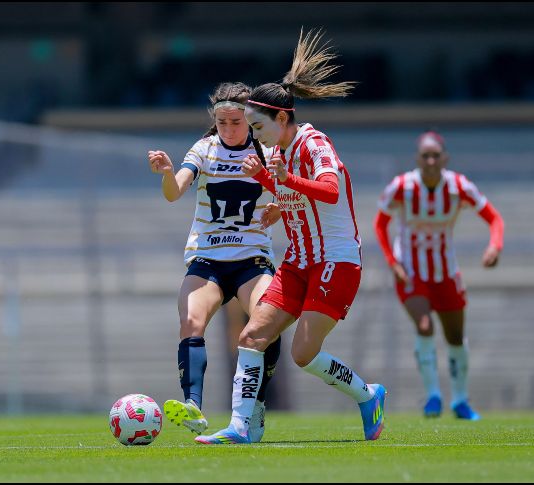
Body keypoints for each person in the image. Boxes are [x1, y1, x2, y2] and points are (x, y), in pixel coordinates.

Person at [195, 28, 386, 445]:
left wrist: (285, 181)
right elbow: (296, 193)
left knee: (302, 354)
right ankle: (243, 426)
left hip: (336, 261)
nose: (253, 134)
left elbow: (332, 190)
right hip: (298, 262)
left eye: (257, 125)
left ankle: (368, 395)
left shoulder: (315, 144)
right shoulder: (277, 154)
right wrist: (268, 185)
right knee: (251, 336)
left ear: (282, 118)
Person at [147, 82, 283, 443]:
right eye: (222, 122)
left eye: (235, 122)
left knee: (266, 324)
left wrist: (279, 206)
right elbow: (175, 192)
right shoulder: (205, 149)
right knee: (191, 320)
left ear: (249, 118)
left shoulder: (267, 150)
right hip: (207, 258)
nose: (228, 129)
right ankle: (193, 406)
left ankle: (255, 406)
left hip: (252, 260)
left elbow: (290, 192)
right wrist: (165, 173)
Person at [373, 130, 504, 420]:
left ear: (445, 158)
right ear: (417, 159)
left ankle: (460, 400)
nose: (431, 161)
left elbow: (494, 218)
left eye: (436, 155)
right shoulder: (402, 187)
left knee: (455, 336)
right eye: (425, 156)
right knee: (423, 324)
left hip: (445, 271)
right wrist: (392, 262)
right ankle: (432, 395)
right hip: (411, 271)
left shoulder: (459, 187)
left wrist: (494, 247)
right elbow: (380, 224)